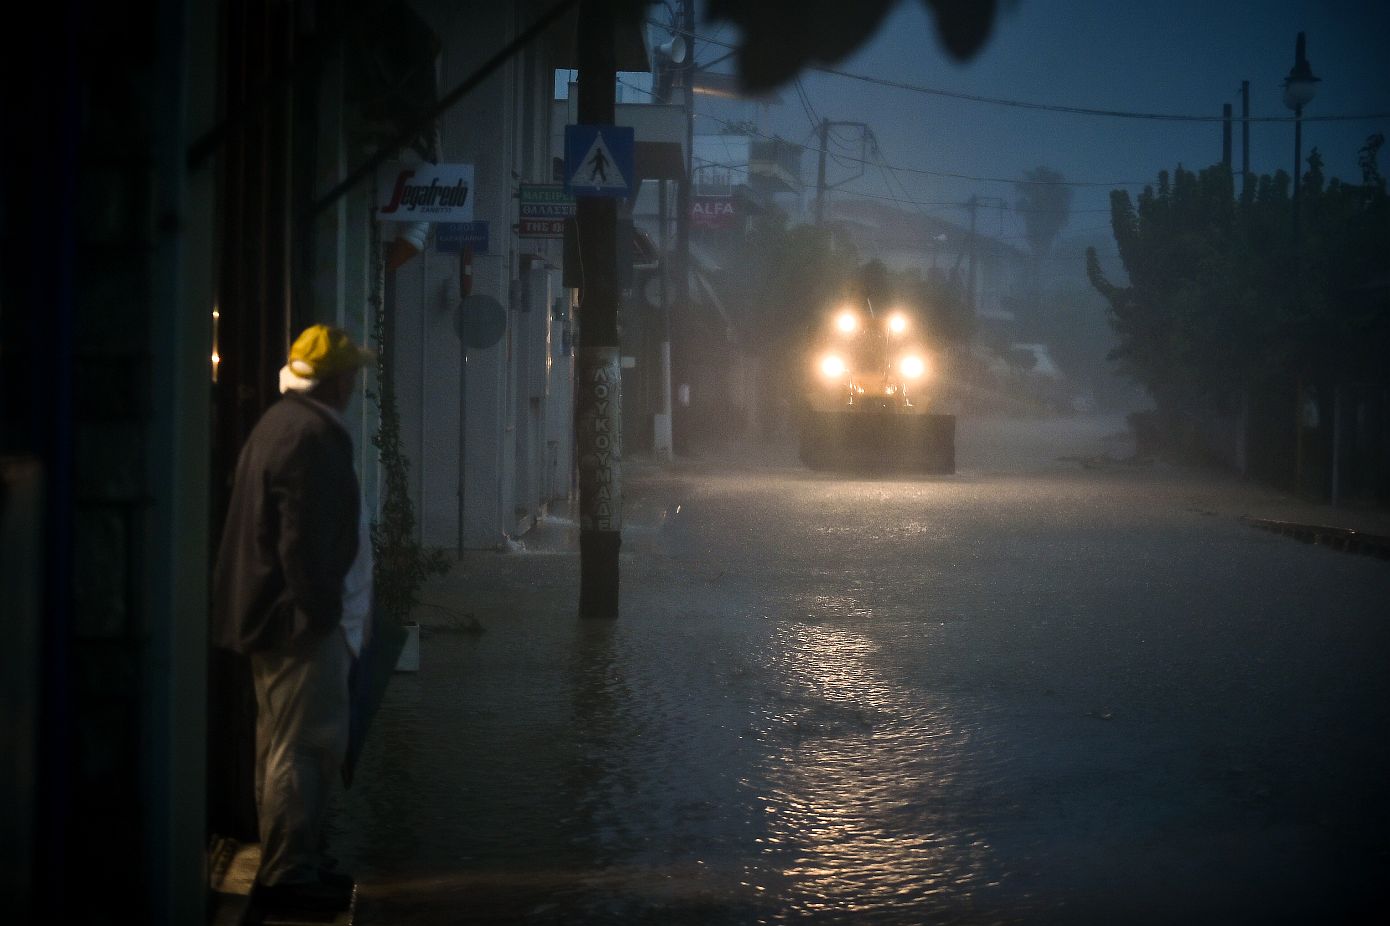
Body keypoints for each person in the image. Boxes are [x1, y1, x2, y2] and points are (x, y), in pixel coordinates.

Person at [212, 324, 375, 915]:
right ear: (334, 381)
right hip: (299, 628)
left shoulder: (285, 424)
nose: (356, 381)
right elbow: (301, 543)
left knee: (282, 746)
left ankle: (291, 857)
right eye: (351, 372)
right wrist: (323, 615)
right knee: (303, 748)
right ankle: (290, 873)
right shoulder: (309, 436)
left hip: (280, 621)